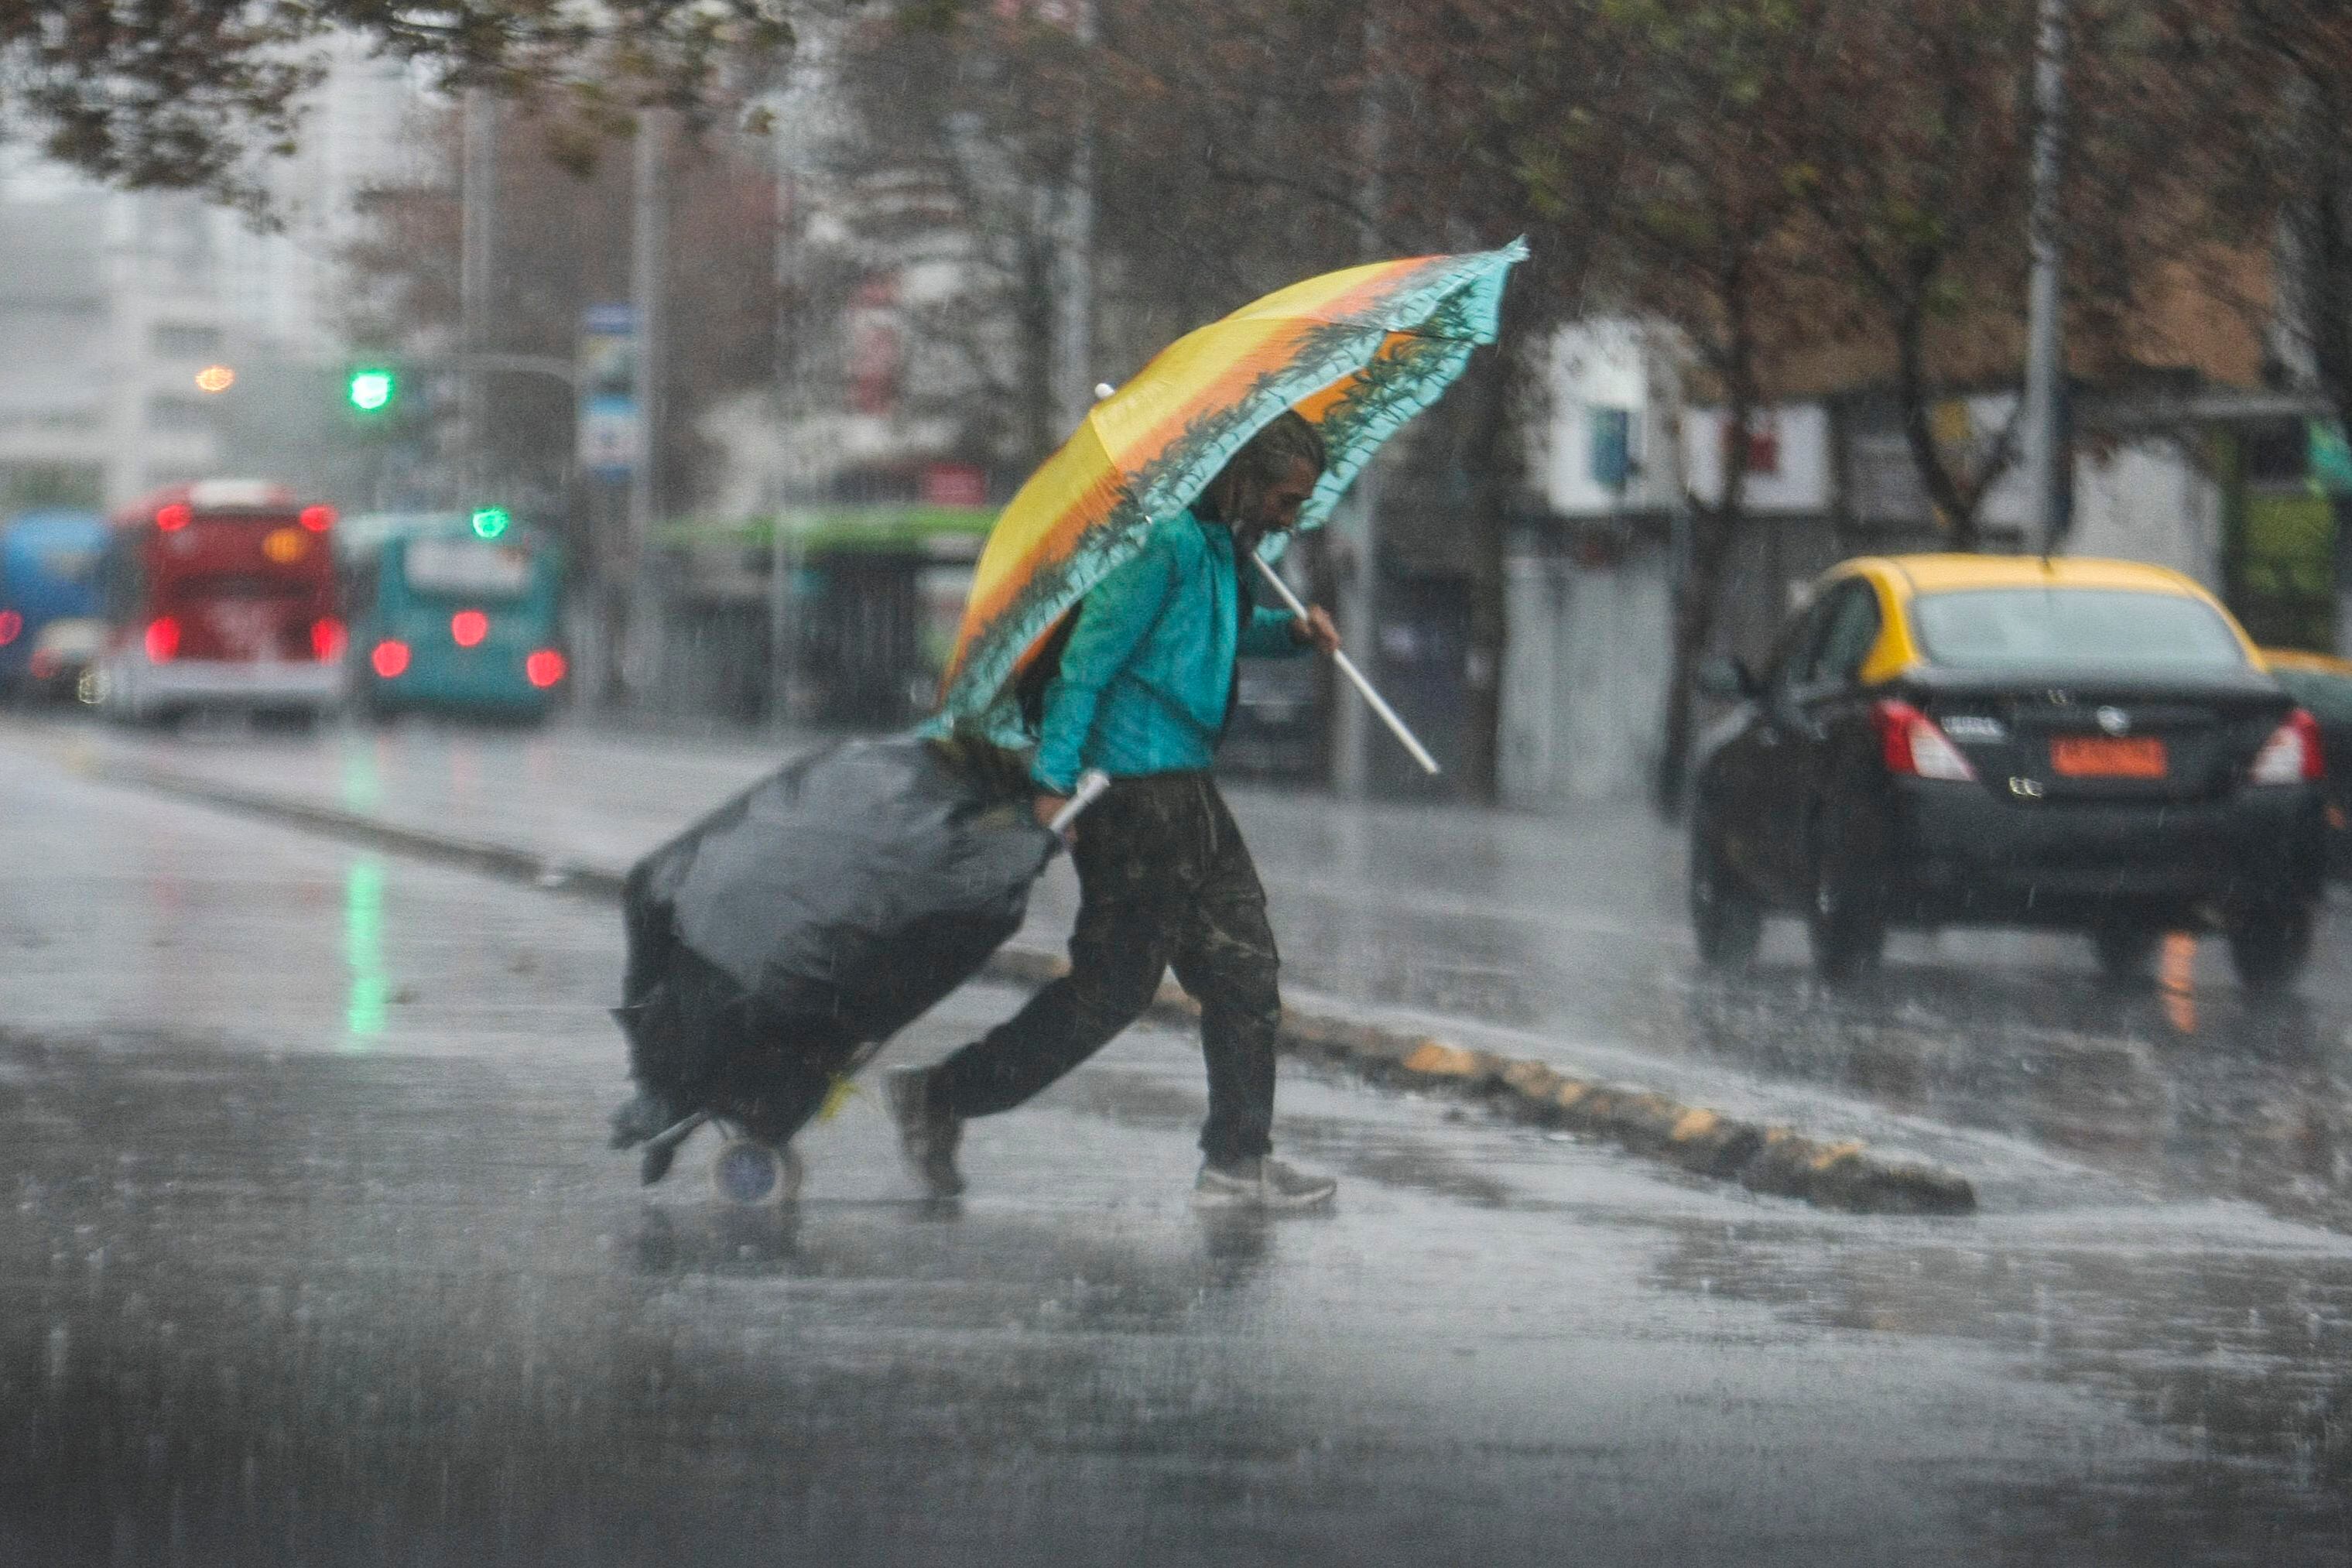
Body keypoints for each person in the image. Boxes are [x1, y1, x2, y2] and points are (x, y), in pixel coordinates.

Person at [889, 413, 1343, 1210]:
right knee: (1111, 990)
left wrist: (1295, 633)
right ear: (1242, 476)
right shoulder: (1157, 544)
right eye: (1283, 497)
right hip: (1130, 794)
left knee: (1245, 971)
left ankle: (1239, 1160)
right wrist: (1055, 780)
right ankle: (940, 1096)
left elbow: (1213, 640)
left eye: (1300, 502)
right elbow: (1086, 666)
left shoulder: (1220, 550)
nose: (1290, 516)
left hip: (1190, 788)